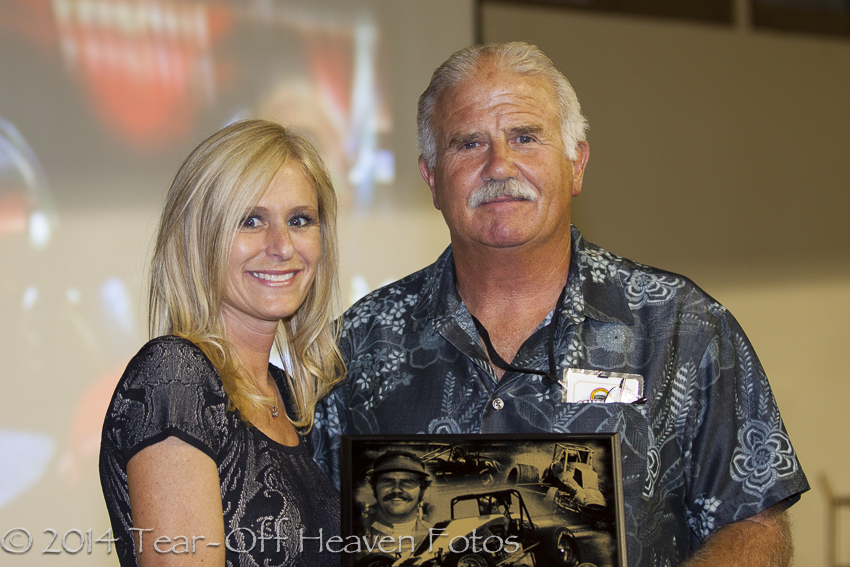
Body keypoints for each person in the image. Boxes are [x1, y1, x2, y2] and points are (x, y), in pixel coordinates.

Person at [314, 43, 810, 566]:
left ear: (576, 164)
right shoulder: (356, 345)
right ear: (432, 178)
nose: (498, 165)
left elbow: (755, 524)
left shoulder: (681, 327)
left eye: (525, 137)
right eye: (468, 143)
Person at [100, 119, 344, 567]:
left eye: (299, 220)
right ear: (199, 238)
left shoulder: (289, 397)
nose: (282, 246)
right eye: (250, 221)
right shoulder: (174, 377)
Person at [358, 451, 433, 556]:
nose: (397, 490)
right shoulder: (352, 533)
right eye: (387, 481)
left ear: (422, 489)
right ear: (375, 487)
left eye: (407, 482)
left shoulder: (436, 536)